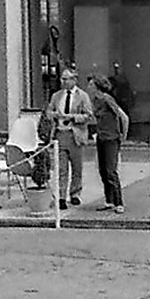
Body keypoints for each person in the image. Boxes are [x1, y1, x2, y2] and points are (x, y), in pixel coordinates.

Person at [44, 68, 93, 211]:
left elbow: (88, 115)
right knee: (61, 168)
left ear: (74, 79)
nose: (63, 82)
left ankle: (75, 193)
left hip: (75, 134)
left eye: (66, 79)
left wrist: (71, 117)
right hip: (60, 133)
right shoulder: (56, 96)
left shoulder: (82, 96)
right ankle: (61, 196)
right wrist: (55, 115)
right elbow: (48, 112)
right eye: (62, 79)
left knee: (77, 167)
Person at [88, 76, 130, 214]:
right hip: (101, 137)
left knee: (111, 170)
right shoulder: (95, 101)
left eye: (91, 85)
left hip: (111, 138)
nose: (88, 87)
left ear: (97, 87)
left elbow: (123, 117)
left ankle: (119, 202)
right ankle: (109, 200)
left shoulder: (107, 99)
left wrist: (123, 135)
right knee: (103, 170)